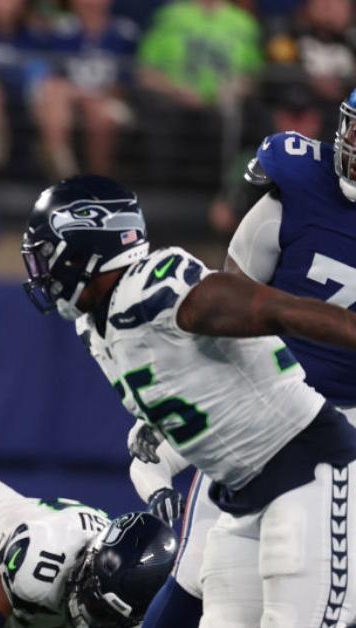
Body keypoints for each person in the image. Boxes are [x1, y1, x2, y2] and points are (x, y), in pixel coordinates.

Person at [21, 174, 356, 625]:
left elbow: (278, 310)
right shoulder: (96, 326)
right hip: (240, 495)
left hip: (308, 473)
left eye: (47, 256)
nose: (42, 272)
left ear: (85, 247)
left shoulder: (156, 290)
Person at [139, 87, 356, 628]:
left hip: (348, 430)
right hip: (264, 410)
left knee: (325, 590)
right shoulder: (300, 188)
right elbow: (225, 305)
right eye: (355, 128)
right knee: (197, 572)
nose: (354, 144)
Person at [0, 475, 177, 628]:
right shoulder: (40, 561)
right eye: (95, 603)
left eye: (109, 617)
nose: (90, 617)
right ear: (90, 558)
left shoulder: (150, 613)